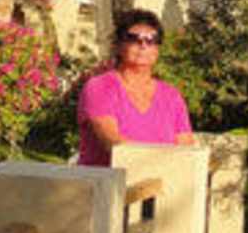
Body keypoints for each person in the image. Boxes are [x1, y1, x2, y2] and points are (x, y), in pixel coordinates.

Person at [76, 9, 195, 167]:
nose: (143, 45)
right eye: (133, 38)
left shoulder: (172, 96)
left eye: (151, 40)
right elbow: (113, 143)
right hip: (109, 180)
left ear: (158, 48)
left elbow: (186, 150)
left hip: (162, 179)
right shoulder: (99, 87)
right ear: (118, 45)